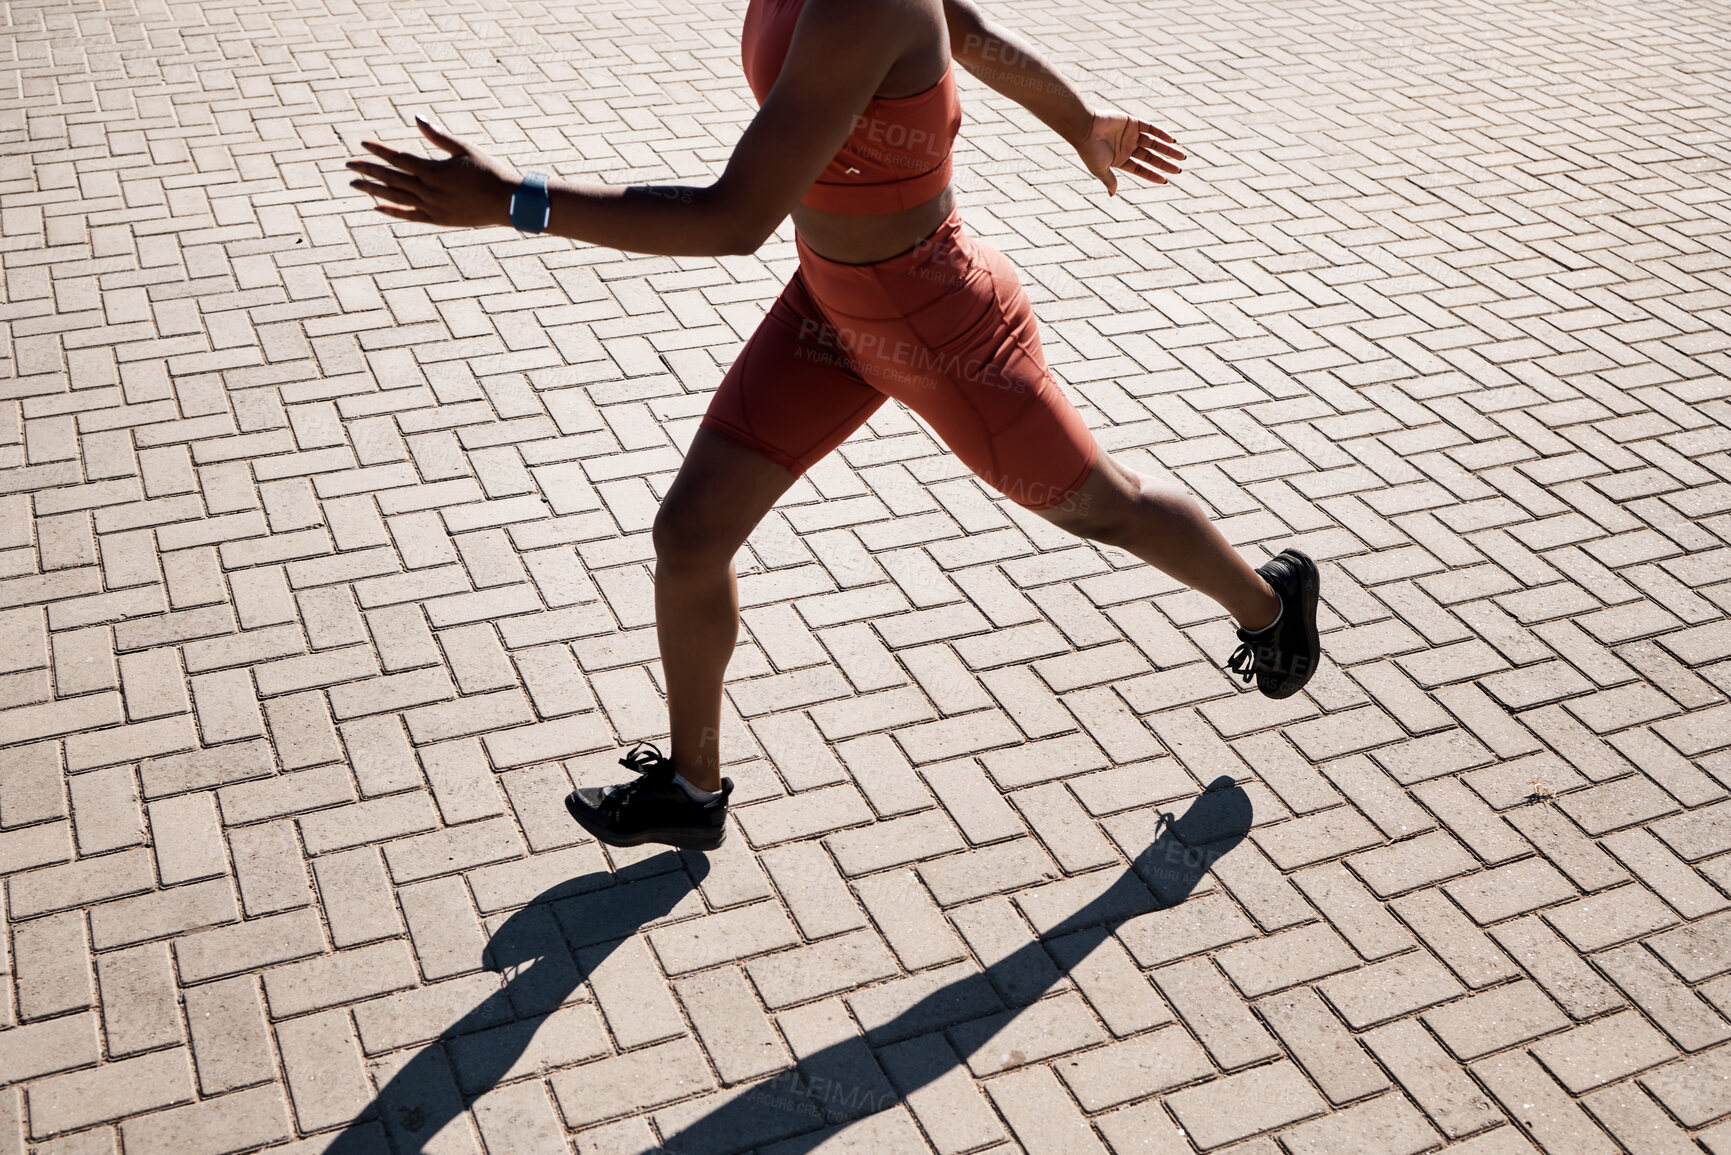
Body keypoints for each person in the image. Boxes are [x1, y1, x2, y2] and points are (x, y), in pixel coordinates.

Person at [346, 0, 1322, 853]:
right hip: (831, 305)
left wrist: (514, 203)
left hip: (937, 329)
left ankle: (1272, 608)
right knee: (689, 535)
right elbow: (972, 32)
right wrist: (1084, 125)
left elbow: (735, 218)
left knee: (1103, 508)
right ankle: (692, 790)